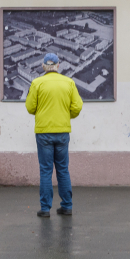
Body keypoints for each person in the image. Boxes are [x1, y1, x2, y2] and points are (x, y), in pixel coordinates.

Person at [24, 53, 83, 218]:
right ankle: (67, 206)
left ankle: (45, 209)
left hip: (43, 133)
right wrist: (66, 116)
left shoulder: (37, 83)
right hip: (63, 131)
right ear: (58, 66)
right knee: (63, 169)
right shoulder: (69, 82)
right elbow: (77, 107)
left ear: (43, 66)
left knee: (45, 170)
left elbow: (30, 107)